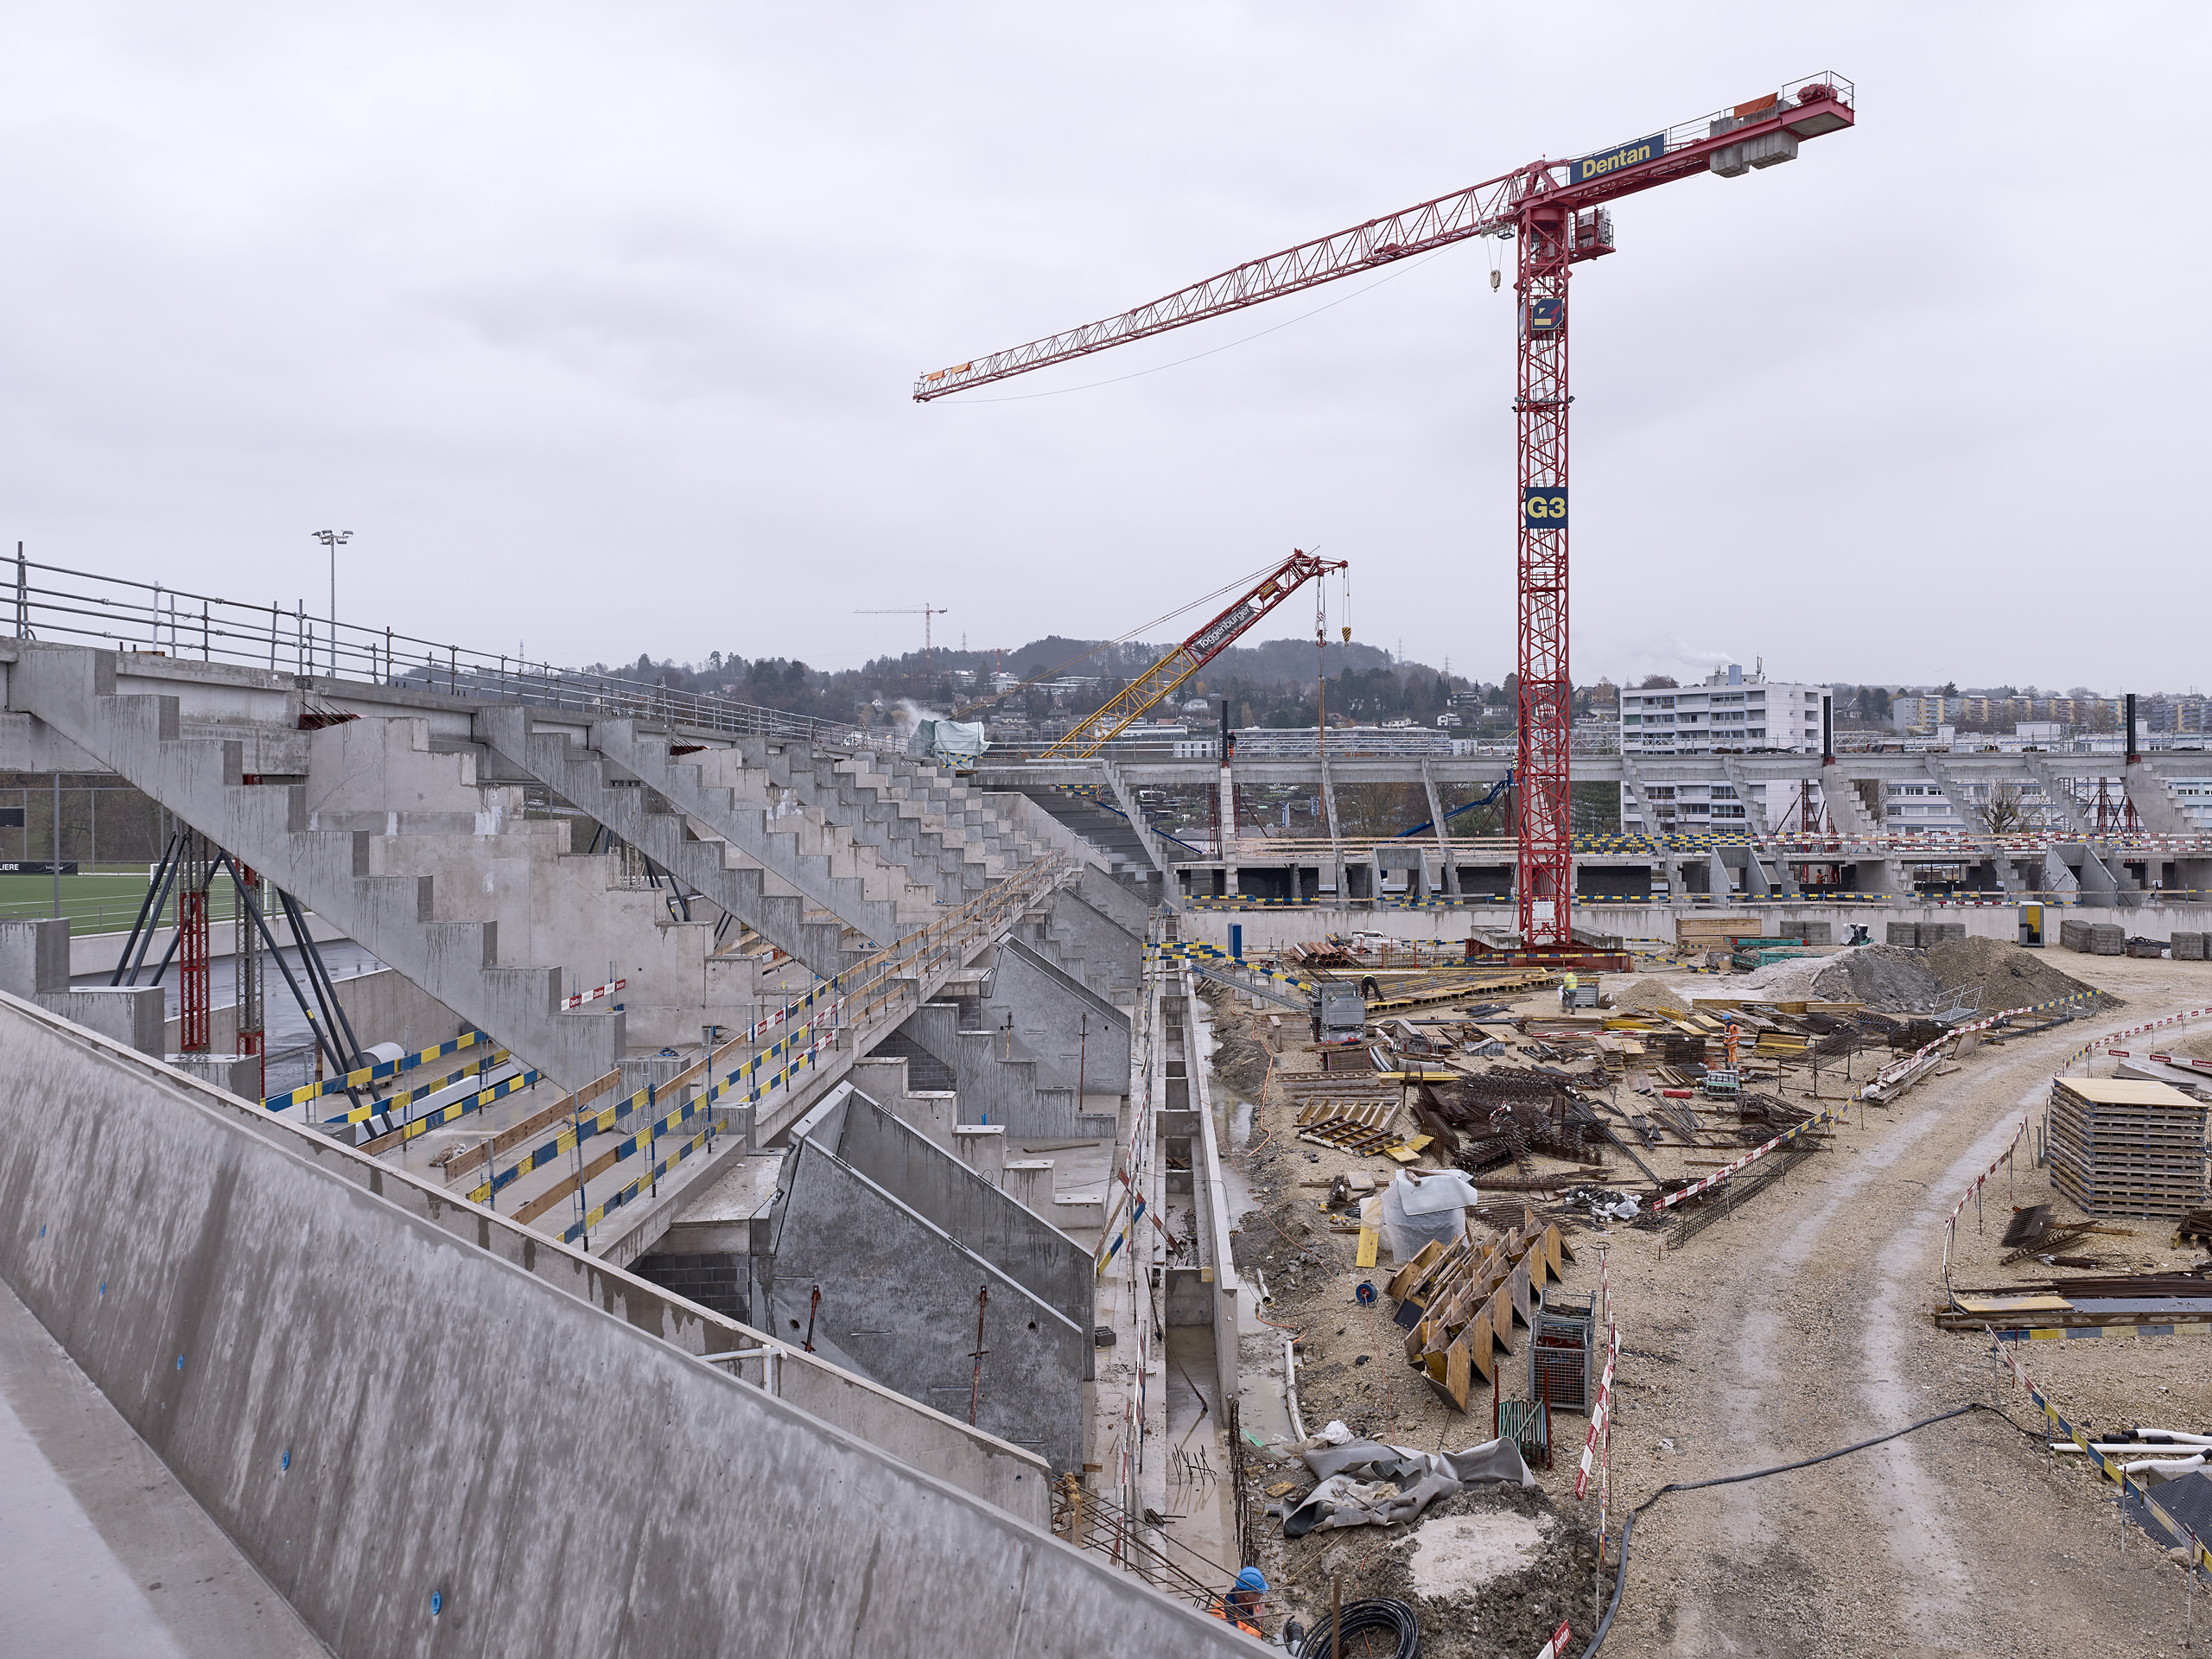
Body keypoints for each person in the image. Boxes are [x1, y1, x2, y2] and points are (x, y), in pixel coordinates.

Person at [1210, 1566, 1268, 1637]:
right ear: (1247, 1595)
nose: (1260, 1597)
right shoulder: (1226, 1614)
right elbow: (1237, 1644)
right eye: (1259, 1594)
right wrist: (1257, 1625)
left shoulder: (1251, 1605)